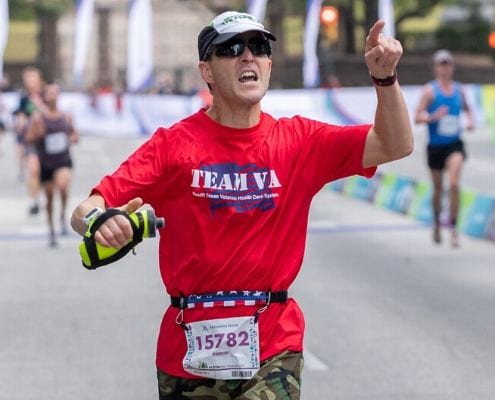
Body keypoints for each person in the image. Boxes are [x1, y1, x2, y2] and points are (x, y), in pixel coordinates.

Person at [71, 11, 413, 400]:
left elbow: (395, 144)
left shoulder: (299, 141)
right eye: (232, 49)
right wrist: (99, 221)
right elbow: (84, 210)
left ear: (268, 63)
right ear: (207, 71)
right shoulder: (174, 146)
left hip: (273, 344)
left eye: (259, 47)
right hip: (187, 350)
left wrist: (385, 79)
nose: (248, 56)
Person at [414, 49, 474, 248]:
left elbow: (468, 109)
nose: (445, 68)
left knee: (455, 184)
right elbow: (417, 117)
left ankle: (454, 228)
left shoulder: (459, 90)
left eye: (448, 64)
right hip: (435, 147)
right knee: (438, 190)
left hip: (454, 145)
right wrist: (433, 117)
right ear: (436, 68)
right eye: (441, 65)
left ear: (452, 68)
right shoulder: (430, 91)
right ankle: (437, 223)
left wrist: (470, 121)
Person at [27, 83, 79, 247]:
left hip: (63, 160)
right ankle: (51, 230)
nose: (53, 96)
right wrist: (37, 134)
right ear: (45, 97)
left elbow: (74, 133)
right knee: (49, 198)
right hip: (46, 162)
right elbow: (28, 139)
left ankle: (63, 216)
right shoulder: (38, 118)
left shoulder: (66, 116)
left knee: (63, 188)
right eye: (49, 93)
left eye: (55, 93)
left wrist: (73, 138)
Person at [13, 66, 47, 214]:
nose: (29, 80)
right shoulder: (24, 98)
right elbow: (20, 116)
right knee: (33, 170)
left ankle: (46, 197)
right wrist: (19, 125)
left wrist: (39, 104)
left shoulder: (46, 94)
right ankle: (33, 201)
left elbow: (53, 114)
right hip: (31, 140)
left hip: (47, 140)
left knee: (45, 174)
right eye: (27, 77)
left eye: (32, 77)